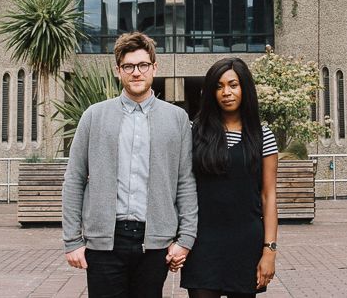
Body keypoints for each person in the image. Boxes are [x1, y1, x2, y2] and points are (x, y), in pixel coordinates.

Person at [62, 31, 198, 298]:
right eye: (129, 66)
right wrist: (72, 241)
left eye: (143, 65)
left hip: (154, 242)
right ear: (118, 70)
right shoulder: (94, 116)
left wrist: (186, 239)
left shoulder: (177, 119)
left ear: (154, 67)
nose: (136, 72)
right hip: (104, 243)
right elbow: (74, 179)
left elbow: (185, 181)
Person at [179, 57, 279, 298]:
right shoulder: (195, 132)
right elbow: (181, 186)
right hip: (202, 243)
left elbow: (269, 196)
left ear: (245, 88)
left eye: (233, 85)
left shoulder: (262, 136)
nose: (226, 92)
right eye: (219, 86)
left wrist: (269, 251)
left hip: (246, 243)